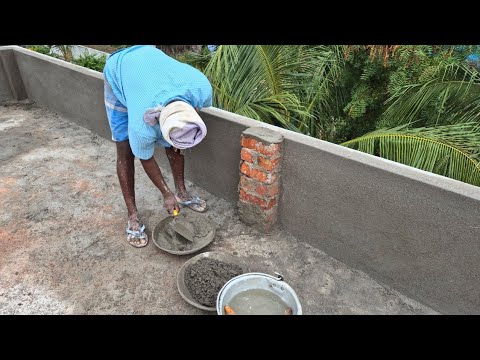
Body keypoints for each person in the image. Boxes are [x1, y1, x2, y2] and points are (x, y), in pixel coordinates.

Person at [103, 45, 212, 248]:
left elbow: (188, 119)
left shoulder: (201, 88)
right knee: (125, 152)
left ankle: (182, 192)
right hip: (120, 71)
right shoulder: (141, 126)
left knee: (178, 140)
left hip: (150, 60)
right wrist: (165, 193)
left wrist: (178, 138)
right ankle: (133, 216)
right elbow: (145, 157)